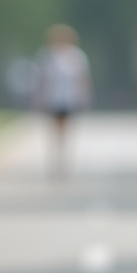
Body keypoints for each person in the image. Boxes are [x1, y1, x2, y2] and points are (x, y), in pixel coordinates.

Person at [35, 24, 91, 180]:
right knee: (54, 130)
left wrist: (84, 96)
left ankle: (64, 159)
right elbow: (42, 79)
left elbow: (82, 79)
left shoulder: (76, 56)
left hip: (69, 98)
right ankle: (56, 159)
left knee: (66, 130)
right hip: (52, 98)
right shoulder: (47, 56)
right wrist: (39, 98)